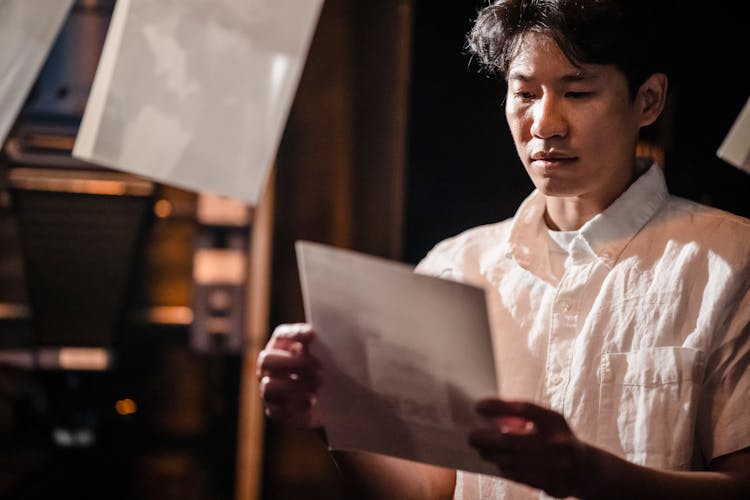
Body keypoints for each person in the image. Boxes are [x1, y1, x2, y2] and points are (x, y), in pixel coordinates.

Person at [256, 0, 750, 498]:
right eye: (525, 93)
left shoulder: (729, 258)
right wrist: (333, 417)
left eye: (577, 92)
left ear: (648, 100)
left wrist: (589, 474)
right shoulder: (455, 268)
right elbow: (429, 489)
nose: (545, 124)